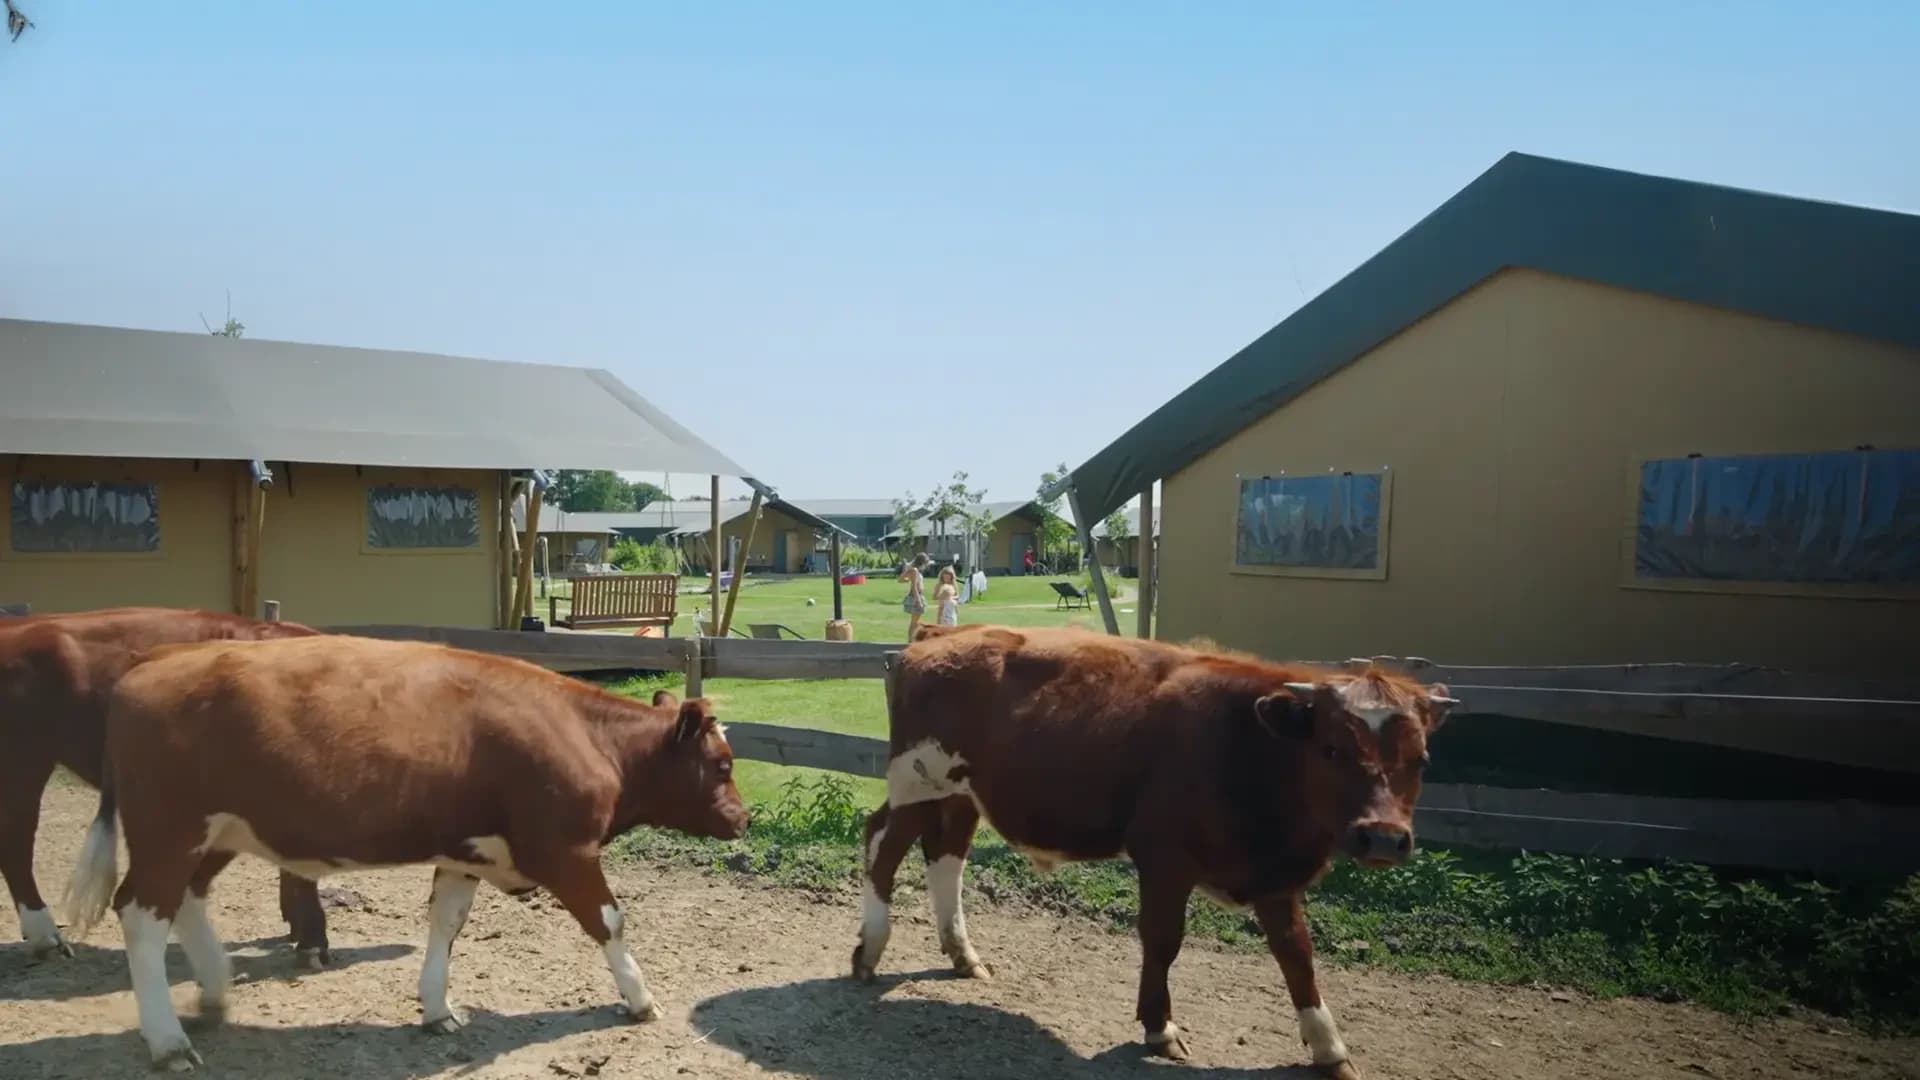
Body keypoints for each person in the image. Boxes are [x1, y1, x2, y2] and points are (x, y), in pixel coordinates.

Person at [898, 552, 930, 639]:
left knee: (916, 621)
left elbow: (901, 579)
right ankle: (910, 640)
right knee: (914, 622)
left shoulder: (913, 570)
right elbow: (914, 587)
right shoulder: (915, 570)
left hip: (918, 595)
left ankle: (912, 639)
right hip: (916, 596)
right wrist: (918, 600)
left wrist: (908, 579)